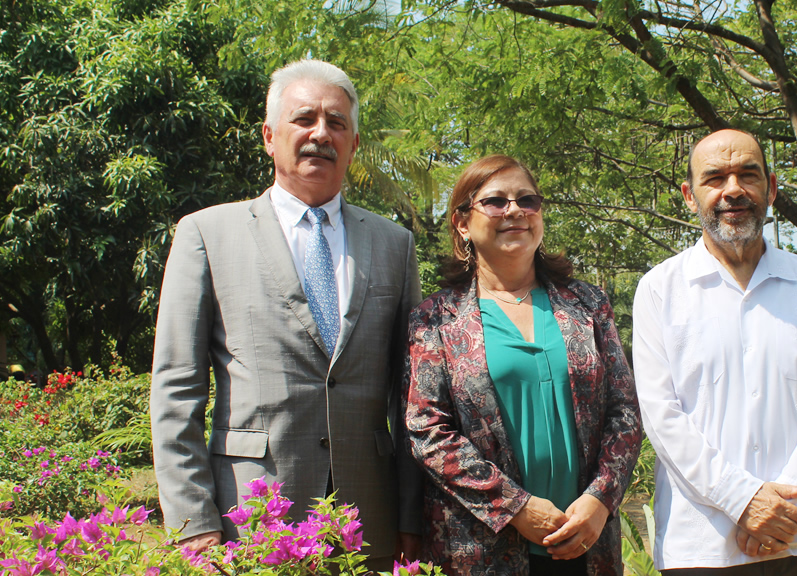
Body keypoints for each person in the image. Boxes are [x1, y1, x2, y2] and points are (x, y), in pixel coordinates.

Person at [149, 59, 421, 570]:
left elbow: (409, 395)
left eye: (337, 123)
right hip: (249, 512)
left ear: (354, 146)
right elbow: (176, 387)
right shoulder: (207, 234)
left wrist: (410, 513)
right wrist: (193, 520)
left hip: (370, 515)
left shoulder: (394, 244)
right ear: (270, 136)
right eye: (305, 119)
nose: (322, 133)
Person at [632, 129, 797, 575]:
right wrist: (742, 500)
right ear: (689, 195)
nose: (732, 189)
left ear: (770, 188)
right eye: (714, 177)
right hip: (702, 547)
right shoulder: (661, 289)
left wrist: (786, 504)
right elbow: (661, 415)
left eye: (747, 175)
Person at [405, 155, 641, 575]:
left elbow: (624, 412)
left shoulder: (588, 305)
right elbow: (426, 429)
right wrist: (515, 507)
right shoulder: (436, 319)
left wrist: (601, 499)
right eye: (495, 201)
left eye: (527, 200)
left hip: (585, 541)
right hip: (483, 548)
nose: (514, 210)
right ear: (463, 223)